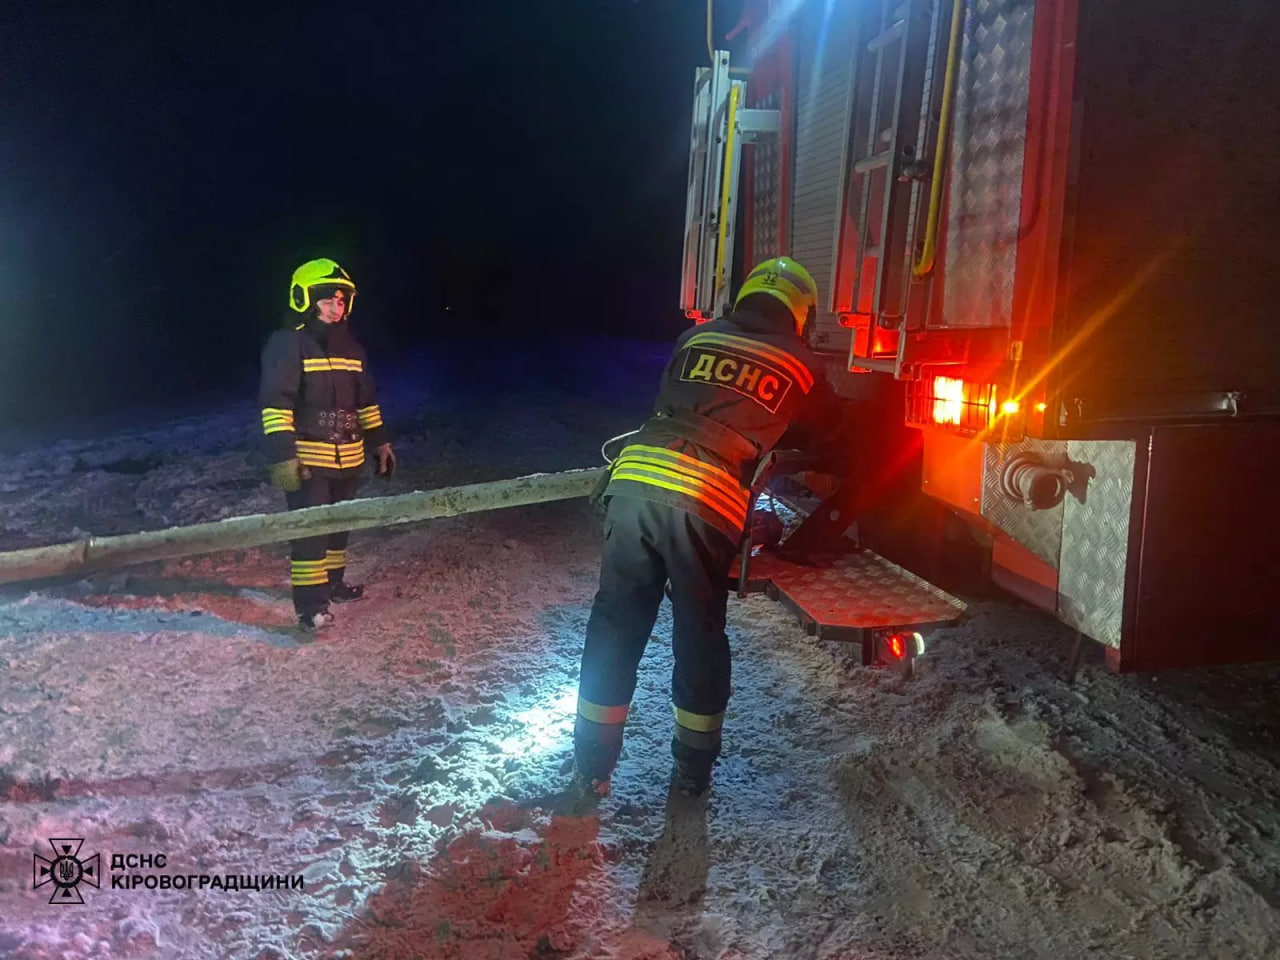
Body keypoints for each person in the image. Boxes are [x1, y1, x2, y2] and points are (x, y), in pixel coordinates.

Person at [573, 256, 845, 798]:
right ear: (801, 312)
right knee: (698, 632)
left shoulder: (696, 337)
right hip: (705, 499)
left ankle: (592, 766)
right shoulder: (801, 363)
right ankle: (693, 770)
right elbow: (826, 434)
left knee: (616, 623)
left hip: (635, 481)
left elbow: (677, 402)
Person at [258, 258, 396, 632]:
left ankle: (333, 585)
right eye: (327, 301)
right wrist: (284, 456)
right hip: (309, 459)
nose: (336, 308)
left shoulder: (353, 349)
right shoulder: (287, 344)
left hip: (349, 457)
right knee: (311, 533)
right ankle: (310, 606)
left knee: (339, 527)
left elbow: (366, 402)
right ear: (304, 299)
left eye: (341, 301)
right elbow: (277, 403)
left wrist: (381, 443)